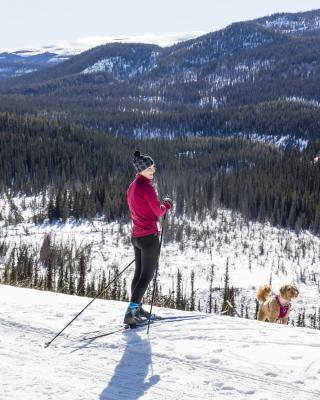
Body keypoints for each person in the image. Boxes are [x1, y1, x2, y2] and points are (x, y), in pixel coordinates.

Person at [124, 150, 172, 326]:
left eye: (153, 167)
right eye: (150, 168)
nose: (153, 170)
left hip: (136, 235)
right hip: (149, 237)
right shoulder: (146, 187)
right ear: (141, 170)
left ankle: (136, 308)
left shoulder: (133, 186)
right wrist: (167, 204)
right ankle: (131, 312)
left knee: (138, 274)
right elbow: (158, 211)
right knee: (147, 275)